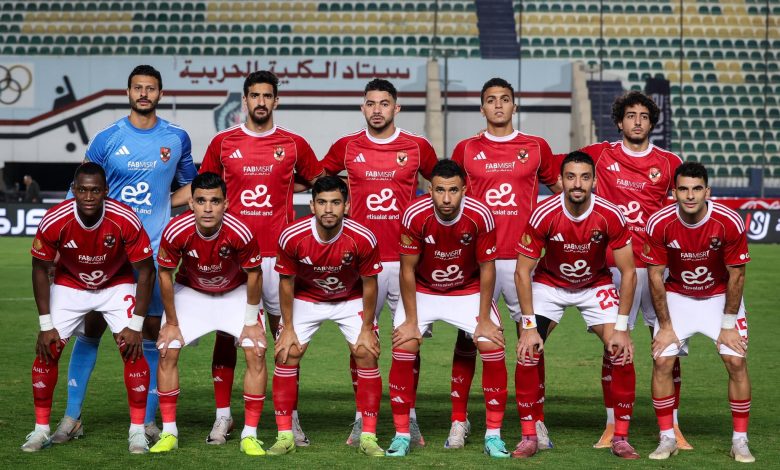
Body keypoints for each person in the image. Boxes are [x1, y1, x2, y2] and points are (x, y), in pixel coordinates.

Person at [51, 65, 197, 446]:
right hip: (108, 253)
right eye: (138, 88)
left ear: (160, 93)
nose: (144, 93)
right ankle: (72, 416)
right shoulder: (107, 138)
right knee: (91, 329)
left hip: (153, 253)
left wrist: (164, 201)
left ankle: (146, 422)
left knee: (149, 332)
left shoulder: (177, 138)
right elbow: (77, 192)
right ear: (128, 92)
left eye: (150, 88)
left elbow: (192, 187)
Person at [197, 70, 323, 446]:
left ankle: (290, 418)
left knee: (286, 338)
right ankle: (223, 417)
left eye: (267, 96)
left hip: (280, 257)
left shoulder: (294, 143)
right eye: (255, 96)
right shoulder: (223, 142)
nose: (261, 102)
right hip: (235, 258)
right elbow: (205, 190)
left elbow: (318, 181)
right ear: (245, 100)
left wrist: (287, 186)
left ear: (276, 101)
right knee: (227, 336)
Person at [558, 91, 687, 449]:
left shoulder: (669, 162)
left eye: (644, 116)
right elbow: (559, 169)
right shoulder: (600, 154)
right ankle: (612, 424)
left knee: (667, 344)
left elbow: (686, 206)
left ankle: (673, 426)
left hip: (657, 267)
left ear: (652, 123)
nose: (637, 122)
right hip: (616, 267)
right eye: (631, 115)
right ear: (619, 121)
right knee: (614, 344)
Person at [322, 78, 438, 446]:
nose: (377, 109)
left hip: (406, 263)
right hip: (360, 264)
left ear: (396, 108)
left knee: (408, 342)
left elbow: (444, 186)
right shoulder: (346, 147)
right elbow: (318, 181)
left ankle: (410, 418)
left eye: (384, 103)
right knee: (361, 343)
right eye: (371, 103)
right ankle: (362, 418)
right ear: (363, 107)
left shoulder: (417, 147)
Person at [448, 77, 561, 450]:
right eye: (491, 100)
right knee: (468, 337)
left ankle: (536, 420)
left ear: (515, 105)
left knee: (531, 339)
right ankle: (459, 421)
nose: (498, 105)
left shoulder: (536, 147)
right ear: (482, 107)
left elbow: (561, 190)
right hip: (479, 260)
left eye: (505, 99)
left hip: (523, 262)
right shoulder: (466, 149)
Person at [22, 162, 155, 453]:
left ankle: (136, 432)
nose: (88, 197)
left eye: (95, 190)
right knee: (47, 349)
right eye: (82, 190)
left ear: (106, 191)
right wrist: (45, 325)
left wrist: (136, 325)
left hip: (116, 284)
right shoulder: (55, 219)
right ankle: (40, 430)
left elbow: (146, 270)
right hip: (70, 286)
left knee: (132, 350)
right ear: (74, 190)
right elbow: (39, 268)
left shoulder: (124, 218)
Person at [514, 151, 639, 459]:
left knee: (620, 351)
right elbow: (522, 272)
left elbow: (629, 272)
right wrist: (528, 327)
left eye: (585, 177)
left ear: (594, 181)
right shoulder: (544, 213)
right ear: (561, 180)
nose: (577, 184)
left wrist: (622, 328)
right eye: (571, 177)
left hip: (595, 285)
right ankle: (530, 434)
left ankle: (621, 437)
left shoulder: (610, 214)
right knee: (528, 350)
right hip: (550, 285)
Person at [386, 159, 509, 458]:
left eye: (453, 190)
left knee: (491, 345)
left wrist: (484, 319)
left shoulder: (480, 215)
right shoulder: (414, 214)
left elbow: (487, 268)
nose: (446, 198)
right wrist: (411, 321)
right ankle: (402, 434)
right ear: (429, 190)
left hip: (466, 289)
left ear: (464, 190)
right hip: (424, 289)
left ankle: (493, 435)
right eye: (440, 190)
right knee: (405, 344)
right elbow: (407, 269)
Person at [148, 172, 268, 456]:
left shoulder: (240, 231)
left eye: (215, 201)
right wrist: (172, 322)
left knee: (256, 349)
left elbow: (254, 274)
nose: (208, 208)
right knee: (167, 348)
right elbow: (164, 274)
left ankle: (249, 435)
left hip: (234, 292)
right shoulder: (176, 230)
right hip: (193, 292)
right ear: (191, 203)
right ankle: (169, 432)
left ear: (226, 204)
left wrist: (251, 322)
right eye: (201, 201)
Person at [643, 162, 754, 463]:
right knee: (662, 361)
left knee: (736, 361)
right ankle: (667, 437)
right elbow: (655, 276)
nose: (690, 195)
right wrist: (665, 326)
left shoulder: (728, 221)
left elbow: (737, 275)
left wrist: (728, 325)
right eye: (683, 189)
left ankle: (740, 441)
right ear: (674, 193)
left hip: (719, 297)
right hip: (678, 295)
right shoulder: (659, 223)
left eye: (696, 189)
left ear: (707, 191)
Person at [267, 176, 384, 457]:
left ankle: (368, 436)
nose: (328, 209)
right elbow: (286, 283)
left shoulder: (362, 237)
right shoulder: (292, 236)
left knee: (366, 352)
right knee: (286, 352)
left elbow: (370, 284)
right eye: (321, 202)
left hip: (349, 298)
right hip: (307, 298)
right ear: (312, 206)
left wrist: (367, 328)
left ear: (347, 206)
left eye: (335, 203)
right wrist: (288, 327)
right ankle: (285, 435)